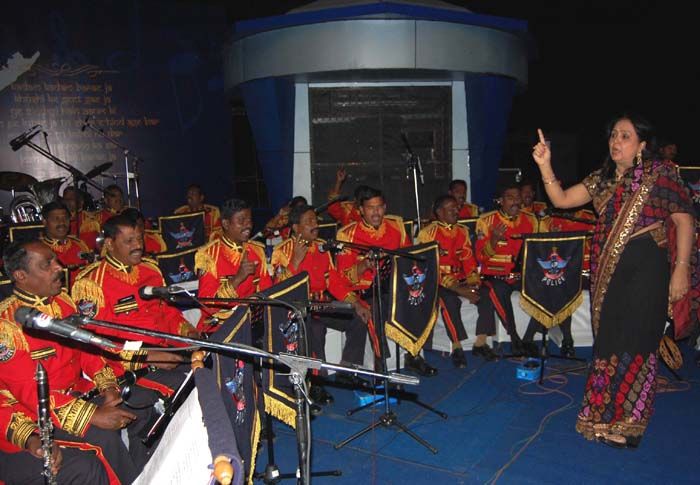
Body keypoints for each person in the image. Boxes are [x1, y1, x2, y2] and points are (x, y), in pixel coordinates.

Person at [532, 115, 696, 448]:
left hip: (647, 269)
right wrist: (545, 164)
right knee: (608, 342)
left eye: (625, 136)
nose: (615, 141)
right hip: (608, 271)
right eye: (613, 135)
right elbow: (561, 200)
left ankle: (630, 425)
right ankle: (601, 415)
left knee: (637, 342)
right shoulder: (601, 179)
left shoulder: (660, 174)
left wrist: (680, 270)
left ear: (642, 145)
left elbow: (685, 221)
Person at [1, 240, 146, 482]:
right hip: (35, 415)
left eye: (55, 260)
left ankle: (145, 470)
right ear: (21, 276)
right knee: (104, 438)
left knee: (138, 404)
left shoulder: (63, 302)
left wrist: (108, 387)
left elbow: (87, 352)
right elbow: (31, 393)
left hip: (78, 393)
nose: (59, 267)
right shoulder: (6, 327)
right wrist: (93, 415)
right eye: (47, 264)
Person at [71, 214, 192, 396]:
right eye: (129, 241)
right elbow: (98, 341)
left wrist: (188, 333)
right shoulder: (91, 284)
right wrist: (147, 356)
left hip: (167, 351)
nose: (138, 246)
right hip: (128, 366)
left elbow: (168, 313)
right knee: (188, 388)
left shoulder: (151, 270)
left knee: (209, 370)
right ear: (110, 244)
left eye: (139, 239)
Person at [271, 204, 371, 403]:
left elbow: (334, 282)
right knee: (315, 328)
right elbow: (277, 289)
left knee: (358, 317)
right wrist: (295, 261)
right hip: (298, 308)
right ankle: (317, 382)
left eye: (315, 220)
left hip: (322, 304)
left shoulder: (321, 246)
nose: (315, 225)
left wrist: (355, 302)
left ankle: (347, 369)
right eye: (309, 222)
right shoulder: (281, 251)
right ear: (296, 227)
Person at [335, 186, 438, 376]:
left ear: (385, 207)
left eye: (379, 207)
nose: (376, 212)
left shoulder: (396, 226)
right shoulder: (347, 235)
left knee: (417, 299)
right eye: (370, 208)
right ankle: (380, 361)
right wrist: (364, 265)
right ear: (361, 210)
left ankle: (413, 355)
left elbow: (409, 257)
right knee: (377, 307)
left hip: (394, 287)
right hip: (365, 292)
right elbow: (343, 277)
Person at [417, 195, 499, 365]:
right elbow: (429, 268)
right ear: (440, 212)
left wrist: (473, 282)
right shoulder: (427, 234)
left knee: (486, 293)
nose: (456, 211)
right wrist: (456, 287)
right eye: (451, 209)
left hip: (461, 278)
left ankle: (480, 343)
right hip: (438, 282)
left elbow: (468, 259)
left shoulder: (462, 231)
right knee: (450, 301)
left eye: (456, 208)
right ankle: (457, 347)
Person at [475, 182, 540, 357]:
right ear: (500, 201)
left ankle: (528, 338)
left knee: (546, 289)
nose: (515, 201)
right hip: (494, 275)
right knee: (499, 290)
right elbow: (480, 257)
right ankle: (515, 338)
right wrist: (494, 240)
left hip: (520, 275)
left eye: (517, 197)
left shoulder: (531, 220)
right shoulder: (486, 221)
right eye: (510, 198)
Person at [0, 389, 112, 484]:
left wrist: (108, 385)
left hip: (47, 409)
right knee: (88, 465)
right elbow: (27, 388)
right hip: (13, 437)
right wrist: (29, 437)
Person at [194, 198, 272, 332]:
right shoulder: (208, 255)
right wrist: (237, 278)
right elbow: (207, 306)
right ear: (226, 223)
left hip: (251, 323)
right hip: (220, 328)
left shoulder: (257, 251)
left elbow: (268, 292)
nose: (248, 225)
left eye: (249, 220)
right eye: (241, 221)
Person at [39, 201, 91, 285]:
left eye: (65, 218)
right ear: (45, 222)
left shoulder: (80, 245)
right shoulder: (39, 250)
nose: (61, 222)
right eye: (56, 219)